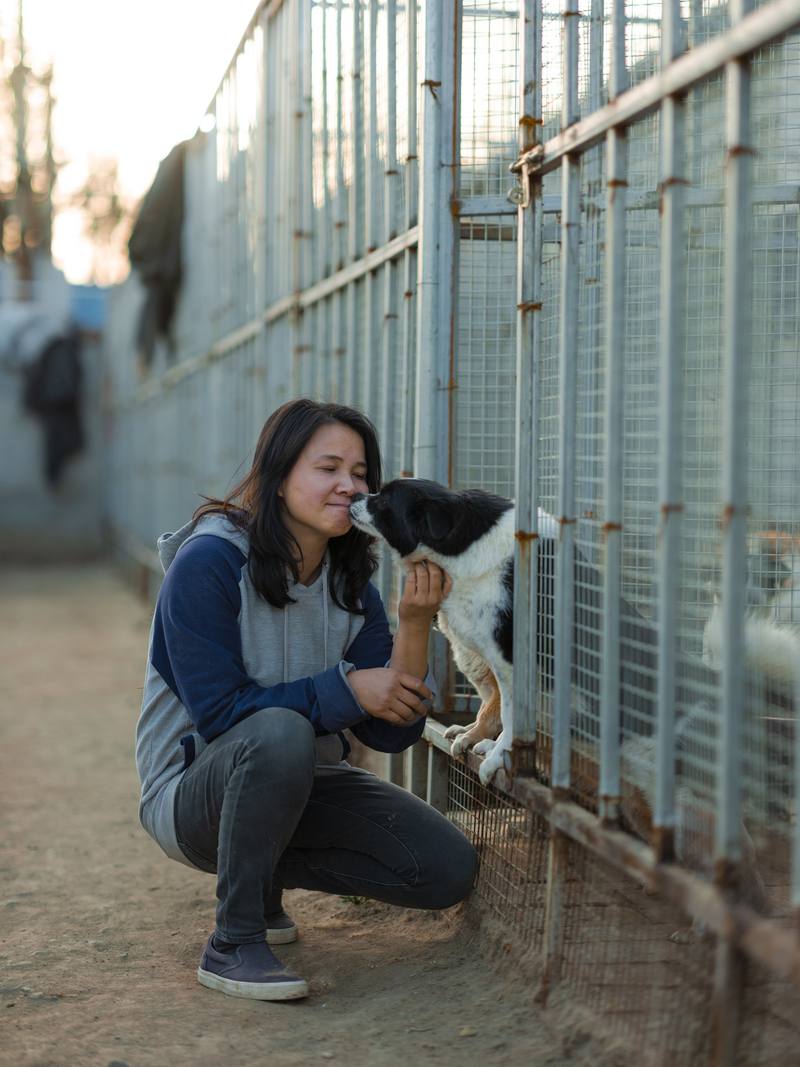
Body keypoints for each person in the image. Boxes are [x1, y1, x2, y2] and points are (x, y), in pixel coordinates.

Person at [135, 398, 479, 1001]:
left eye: (361, 473)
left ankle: (261, 875)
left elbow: (391, 733)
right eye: (328, 468)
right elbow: (219, 713)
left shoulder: (351, 585)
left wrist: (414, 625)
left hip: (298, 785)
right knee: (279, 730)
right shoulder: (208, 563)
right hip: (191, 796)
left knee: (443, 868)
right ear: (278, 477)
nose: (349, 485)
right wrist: (348, 690)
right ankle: (234, 941)